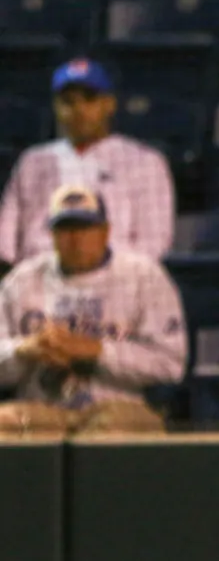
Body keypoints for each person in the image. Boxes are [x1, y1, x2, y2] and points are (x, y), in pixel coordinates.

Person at [0, 185, 185, 436]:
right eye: (65, 229)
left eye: (85, 227)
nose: (75, 238)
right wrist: (22, 350)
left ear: (105, 231)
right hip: (40, 409)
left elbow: (170, 364)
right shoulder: (21, 280)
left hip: (118, 406)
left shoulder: (144, 276)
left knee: (109, 434)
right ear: (51, 234)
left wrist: (97, 351)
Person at [0, 58, 174, 275]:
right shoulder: (32, 161)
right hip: (38, 285)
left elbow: (154, 244)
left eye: (89, 99)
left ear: (109, 104)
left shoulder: (145, 161)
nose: (79, 109)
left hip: (114, 285)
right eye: (68, 101)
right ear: (55, 106)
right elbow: (5, 244)